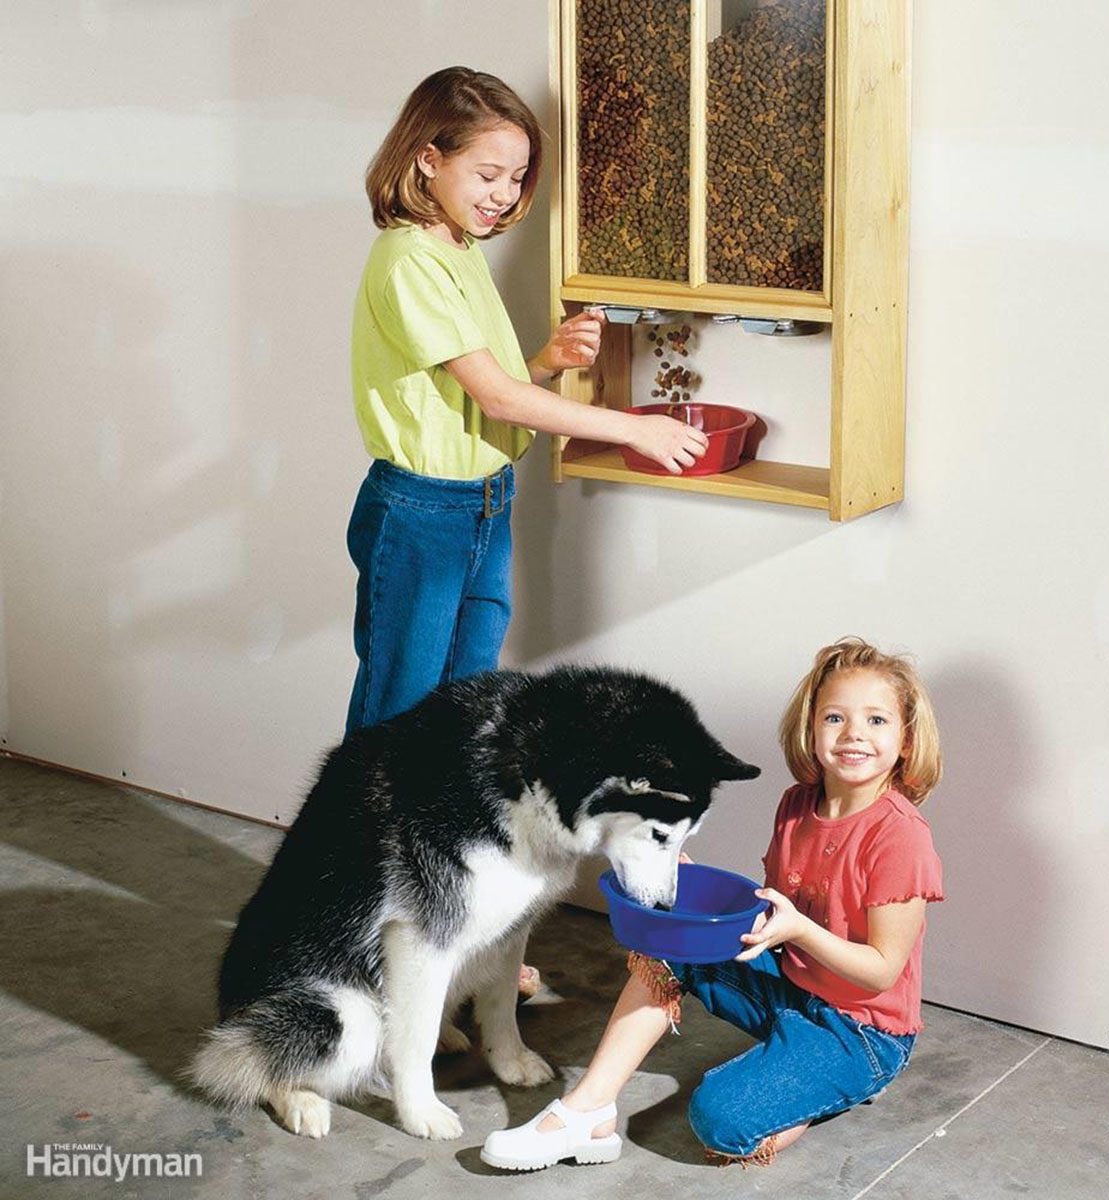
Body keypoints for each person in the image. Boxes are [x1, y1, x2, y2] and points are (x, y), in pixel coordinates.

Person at [482, 637, 944, 1170]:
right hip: (791, 984)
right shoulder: (797, 804)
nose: (854, 734)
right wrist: (691, 885)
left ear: (907, 739)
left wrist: (799, 933)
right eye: (835, 717)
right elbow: (779, 907)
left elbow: (882, 972)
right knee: (671, 940)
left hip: (860, 1030)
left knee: (721, 1120)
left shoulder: (900, 838)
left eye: (877, 721)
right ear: (811, 728)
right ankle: (588, 1112)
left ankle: (829, 1082)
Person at [345, 66, 706, 736]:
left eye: (516, 177)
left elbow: (475, 391)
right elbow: (496, 399)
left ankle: (436, 844)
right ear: (429, 159)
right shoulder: (408, 261)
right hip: (423, 510)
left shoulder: (460, 248)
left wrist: (544, 363)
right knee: (398, 711)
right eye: (487, 175)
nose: (503, 195)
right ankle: (357, 845)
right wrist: (635, 430)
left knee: (465, 709)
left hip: (486, 500)